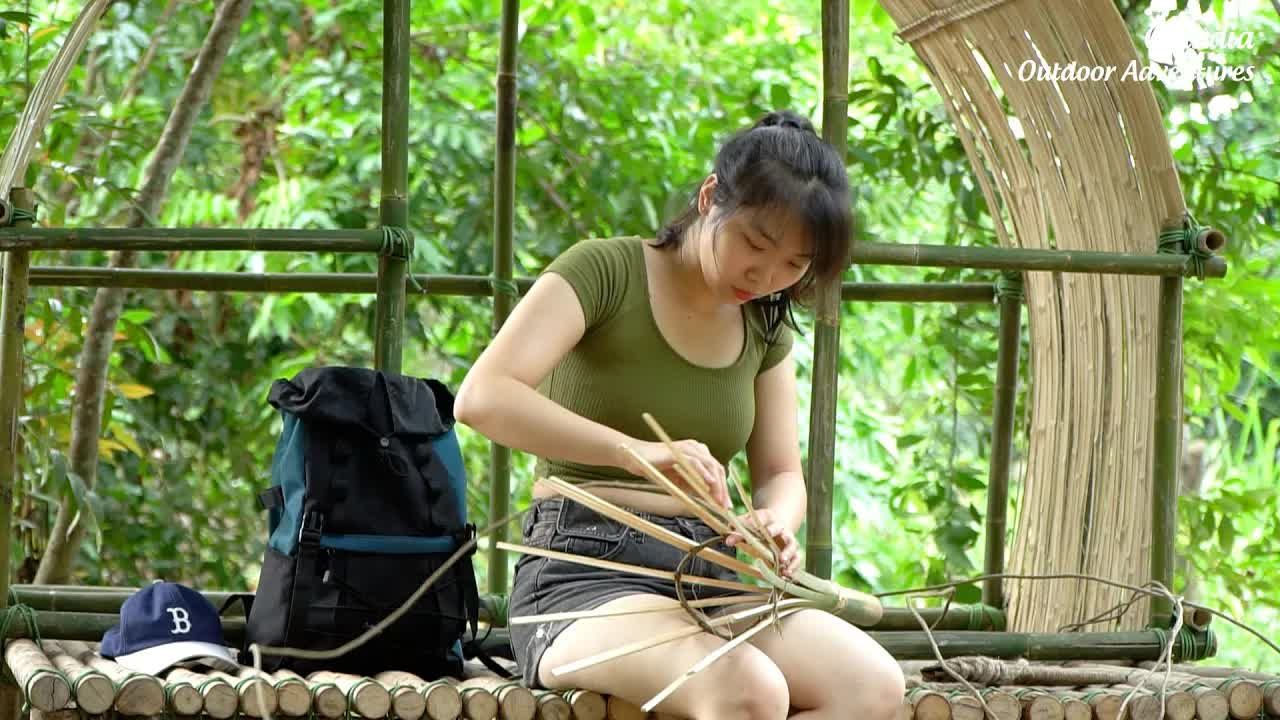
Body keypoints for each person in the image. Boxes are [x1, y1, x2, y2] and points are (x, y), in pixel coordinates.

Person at [454, 110, 905, 720]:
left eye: (794, 265)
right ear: (711, 197)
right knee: (750, 692)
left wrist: (775, 523)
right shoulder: (604, 269)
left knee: (873, 686)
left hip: (709, 573)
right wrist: (637, 451)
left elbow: (780, 470)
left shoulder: (763, 325)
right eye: (755, 244)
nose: (767, 277)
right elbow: (482, 396)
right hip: (582, 571)